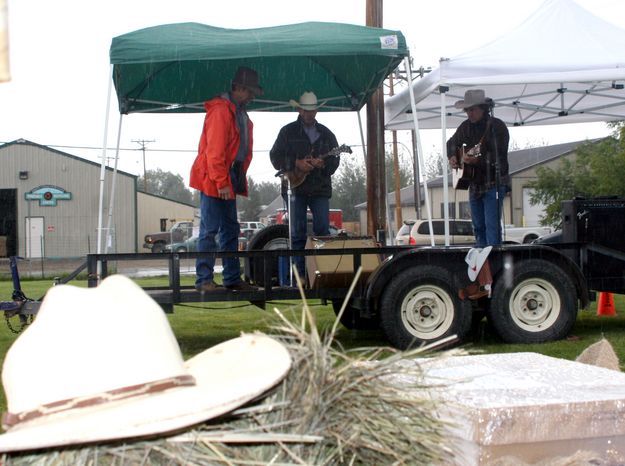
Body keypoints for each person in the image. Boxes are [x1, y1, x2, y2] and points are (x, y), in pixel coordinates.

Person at [189, 66, 261, 292]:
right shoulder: (221, 111)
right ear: (238, 89)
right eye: (249, 92)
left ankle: (230, 278)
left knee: (230, 228)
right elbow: (215, 152)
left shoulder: (235, 111)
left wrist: (232, 177)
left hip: (226, 174)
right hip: (216, 175)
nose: (251, 97)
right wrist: (221, 182)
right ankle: (204, 280)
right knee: (210, 229)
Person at [270, 91, 340, 281]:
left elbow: (335, 161)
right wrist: (295, 163)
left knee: (322, 232)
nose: (310, 114)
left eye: (313, 110)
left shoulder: (327, 134)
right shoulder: (287, 132)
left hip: (319, 189)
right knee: (297, 233)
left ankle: (321, 273)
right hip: (296, 188)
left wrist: (324, 164)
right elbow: (275, 156)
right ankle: (300, 275)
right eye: (307, 110)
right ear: (300, 110)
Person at [447, 89, 510, 248]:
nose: (469, 113)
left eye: (472, 110)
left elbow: (499, 155)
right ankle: (482, 262)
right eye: (467, 110)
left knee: (492, 226)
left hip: (494, 184)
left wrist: (478, 160)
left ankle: (493, 261)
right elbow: (451, 143)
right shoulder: (465, 127)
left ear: (483, 108)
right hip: (474, 184)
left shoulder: (497, 127)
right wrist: (452, 156)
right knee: (478, 227)